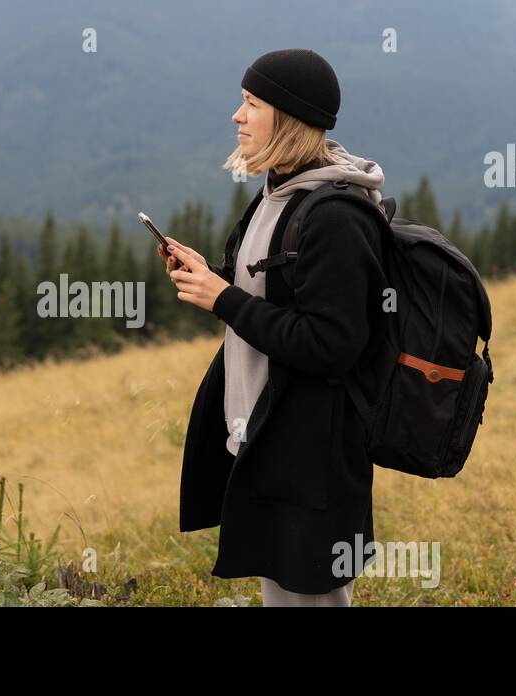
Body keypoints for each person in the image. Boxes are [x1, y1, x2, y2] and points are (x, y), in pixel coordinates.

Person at [157, 48, 388, 607]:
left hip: (313, 455)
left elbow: (331, 345)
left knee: (311, 598)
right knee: (281, 594)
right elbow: (275, 296)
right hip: (269, 438)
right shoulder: (275, 196)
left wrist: (225, 300)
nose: (237, 116)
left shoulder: (335, 216)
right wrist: (211, 277)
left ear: (286, 116)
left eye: (251, 103)